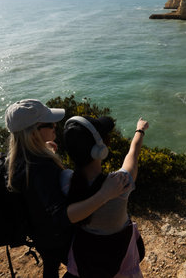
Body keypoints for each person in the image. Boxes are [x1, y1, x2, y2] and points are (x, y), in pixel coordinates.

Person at [4, 99, 131, 278]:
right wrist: (105, 194)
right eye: (48, 124)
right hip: (56, 238)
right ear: (33, 134)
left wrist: (45, 150)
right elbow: (63, 216)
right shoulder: (41, 167)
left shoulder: (17, 159)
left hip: (37, 232)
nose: (55, 125)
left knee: (50, 265)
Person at [61, 115, 149, 278]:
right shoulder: (119, 184)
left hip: (84, 264)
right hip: (121, 266)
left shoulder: (64, 181)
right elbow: (133, 154)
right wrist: (140, 130)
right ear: (100, 149)